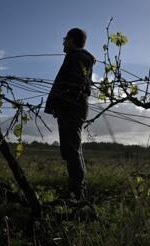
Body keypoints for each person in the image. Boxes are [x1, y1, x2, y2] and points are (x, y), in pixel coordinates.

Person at [45, 28, 95, 200]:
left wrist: (61, 103)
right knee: (72, 149)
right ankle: (77, 189)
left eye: (65, 39)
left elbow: (73, 84)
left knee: (71, 150)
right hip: (75, 107)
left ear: (72, 40)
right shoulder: (80, 58)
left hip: (71, 108)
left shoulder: (76, 57)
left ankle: (77, 192)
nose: (63, 42)